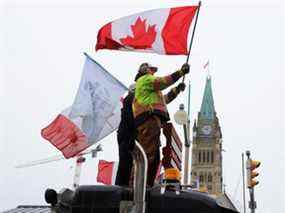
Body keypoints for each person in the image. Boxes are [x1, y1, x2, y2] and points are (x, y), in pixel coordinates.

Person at [132, 62, 189, 187]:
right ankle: (135, 188)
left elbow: (165, 99)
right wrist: (180, 72)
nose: (152, 72)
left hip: (151, 122)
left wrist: (177, 90)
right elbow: (163, 82)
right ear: (144, 70)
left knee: (154, 158)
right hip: (148, 120)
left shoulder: (151, 90)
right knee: (147, 155)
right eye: (151, 70)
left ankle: (146, 186)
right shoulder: (145, 79)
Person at [115, 84, 136, 186]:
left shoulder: (129, 100)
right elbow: (130, 118)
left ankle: (122, 185)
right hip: (127, 134)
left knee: (126, 162)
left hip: (125, 134)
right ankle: (121, 186)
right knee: (125, 162)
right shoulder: (130, 100)